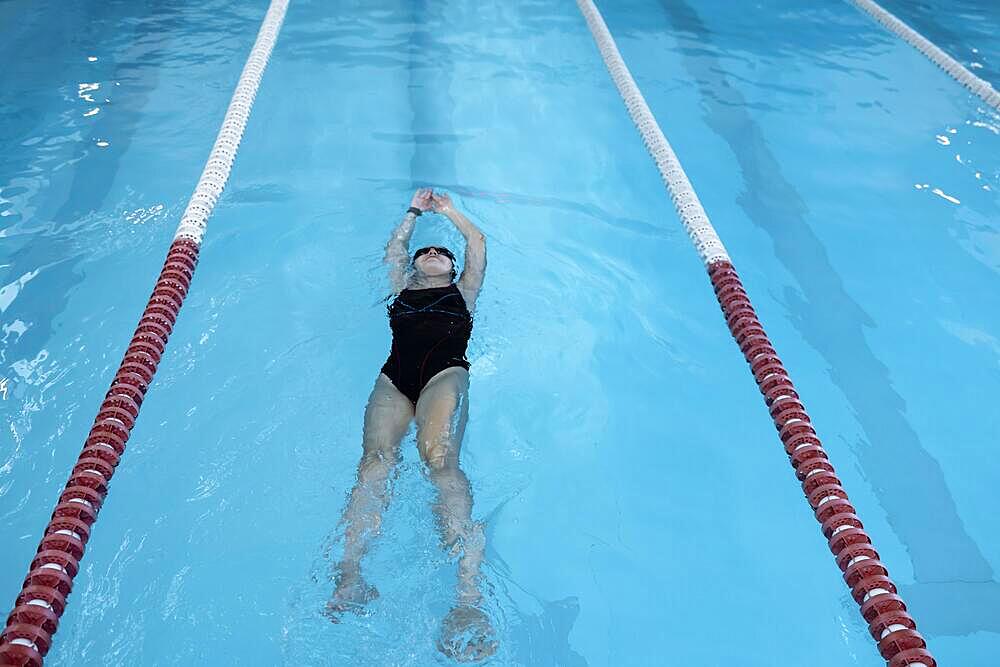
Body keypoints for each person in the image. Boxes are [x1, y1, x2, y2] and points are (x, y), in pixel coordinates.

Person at [328, 188, 496, 661]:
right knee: (373, 463)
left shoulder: (464, 291)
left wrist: (448, 212)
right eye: (429, 250)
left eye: (443, 252)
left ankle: (468, 597)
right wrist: (412, 214)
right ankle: (350, 574)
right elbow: (394, 251)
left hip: (444, 373)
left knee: (439, 461)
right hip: (394, 378)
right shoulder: (400, 287)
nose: (436, 253)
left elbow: (477, 243)